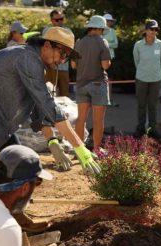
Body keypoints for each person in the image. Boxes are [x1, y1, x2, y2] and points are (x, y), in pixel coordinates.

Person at [0, 25, 99, 186]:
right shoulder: (27, 58)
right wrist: (79, 146)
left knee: (22, 162)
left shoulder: (35, 64)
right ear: (47, 45)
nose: (62, 61)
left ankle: (12, 200)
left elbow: (39, 107)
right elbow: (48, 105)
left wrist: (52, 142)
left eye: (66, 58)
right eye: (62, 53)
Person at [71, 15, 111, 154]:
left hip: (81, 84)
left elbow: (73, 65)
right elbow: (105, 65)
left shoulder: (79, 42)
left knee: (81, 119)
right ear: (100, 28)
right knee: (98, 120)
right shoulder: (102, 42)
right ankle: (96, 149)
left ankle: (80, 150)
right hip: (98, 84)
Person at [134, 19, 161, 139]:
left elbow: (160, 58)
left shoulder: (160, 44)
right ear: (146, 30)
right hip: (141, 78)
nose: (153, 31)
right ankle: (140, 128)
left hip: (156, 79)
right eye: (151, 29)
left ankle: (152, 129)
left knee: (153, 105)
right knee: (141, 105)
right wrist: (144, 71)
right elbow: (136, 61)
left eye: (156, 29)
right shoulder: (138, 45)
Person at [45, 9, 71, 97]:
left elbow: (70, 48)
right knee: (49, 93)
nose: (60, 21)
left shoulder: (68, 31)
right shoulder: (47, 30)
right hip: (50, 67)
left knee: (65, 94)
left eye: (61, 19)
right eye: (57, 20)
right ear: (51, 21)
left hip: (64, 67)